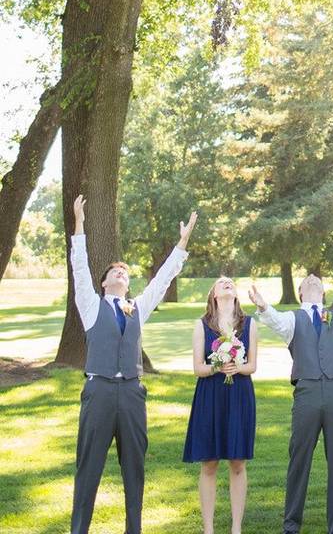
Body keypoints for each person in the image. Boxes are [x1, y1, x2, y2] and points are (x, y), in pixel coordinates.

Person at [68, 194, 196, 534]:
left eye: (126, 272)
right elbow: (79, 269)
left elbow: (163, 279)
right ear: (105, 281)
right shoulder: (91, 306)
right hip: (99, 392)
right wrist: (79, 225)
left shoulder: (137, 307)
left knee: (134, 468)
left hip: (132, 395)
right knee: (89, 467)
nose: (122, 274)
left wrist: (182, 243)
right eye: (116, 271)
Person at [248, 254, 333, 534]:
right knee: (299, 458)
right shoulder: (291, 319)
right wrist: (263, 306)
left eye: (316, 279)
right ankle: (291, 524)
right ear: (300, 293)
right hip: (307, 393)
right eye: (306, 279)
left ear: (323, 292)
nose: (311, 278)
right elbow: (273, 319)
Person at [183, 277, 259, 534]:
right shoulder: (201, 325)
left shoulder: (250, 325)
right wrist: (217, 365)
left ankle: (236, 527)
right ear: (214, 295)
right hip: (210, 396)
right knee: (210, 462)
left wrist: (236, 366)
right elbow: (198, 368)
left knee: (238, 462)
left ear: (235, 294)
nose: (227, 284)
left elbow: (252, 366)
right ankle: (209, 529)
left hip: (239, 395)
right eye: (221, 283)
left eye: (230, 282)